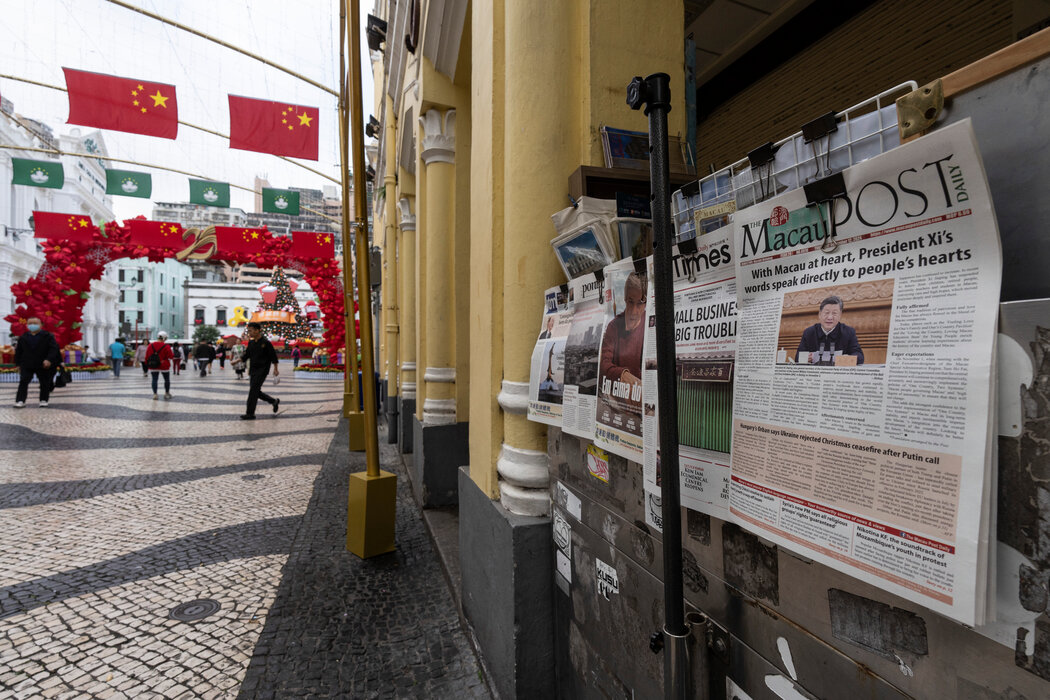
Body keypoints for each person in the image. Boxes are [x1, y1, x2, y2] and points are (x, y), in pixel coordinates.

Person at [598, 271, 647, 404]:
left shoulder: (650, 322)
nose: (634, 310)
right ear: (625, 299)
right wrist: (623, 375)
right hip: (621, 400)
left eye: (640, 303)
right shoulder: (614, 326)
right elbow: (603, 364)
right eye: (630, 302)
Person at [795, 295, 864, 365]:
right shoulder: (809, 332)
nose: (830, 317)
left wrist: (847, 358)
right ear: (820, 314)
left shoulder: (848, 332)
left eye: (834, 313)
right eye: (826, 312)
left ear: (840, 315)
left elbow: (860, 357)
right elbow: (797, 357)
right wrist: (805, 358)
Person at [12, 317, 60, 408]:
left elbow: (53, 349)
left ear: (41, 325)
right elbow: (19, 351)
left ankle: (43, 399)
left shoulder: (48, 336)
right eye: (30, 323)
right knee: (23, 381)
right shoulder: (23, 337)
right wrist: (18, 364)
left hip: (42, 363)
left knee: (44, 382)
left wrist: (49, 359)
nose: (32, 325)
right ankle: (20, 400)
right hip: (27, 363)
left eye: (35, 323)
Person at [241, 322, 280, 420]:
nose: (249, 333)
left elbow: (273, 356)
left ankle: (250, 413)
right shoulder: (251, 342)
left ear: (257, 330)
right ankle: (273, 401)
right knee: (255, 391)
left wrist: (275, 369)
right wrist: (237, 360)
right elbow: (247, 355)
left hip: (262, 370)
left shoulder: (266, 343)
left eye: (250, 331)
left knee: (253, 390)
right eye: (248, 331)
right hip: (253, 370)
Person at [145, 331, 174, 400]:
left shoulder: (150, 345)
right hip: (164, 365)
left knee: (154, 379)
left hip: (153, 365)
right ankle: (167, 393)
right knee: (166, 379)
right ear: (164, 338)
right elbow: (171, 356)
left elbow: (147, 356)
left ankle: (155, 394)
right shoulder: (166, 346)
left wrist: (147, 364)